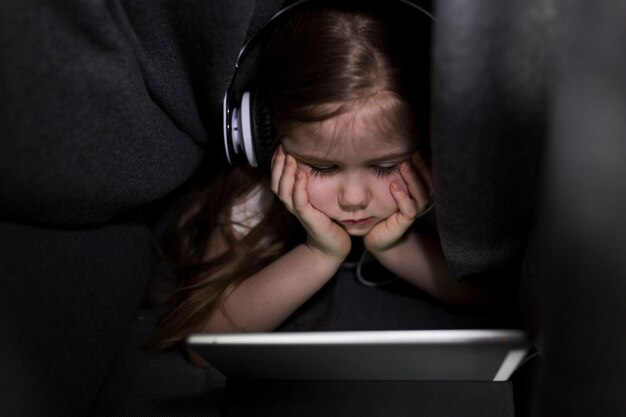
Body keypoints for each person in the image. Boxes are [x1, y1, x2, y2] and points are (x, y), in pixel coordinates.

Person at [150, 1, 493, 363]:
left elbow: (496, 295)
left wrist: (396, 247)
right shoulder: (255, 197)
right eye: (322, 168)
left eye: (387, 164)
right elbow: (205, 346)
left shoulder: (449, 185)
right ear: (260, 140)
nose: (355, 198)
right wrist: (320, 254)